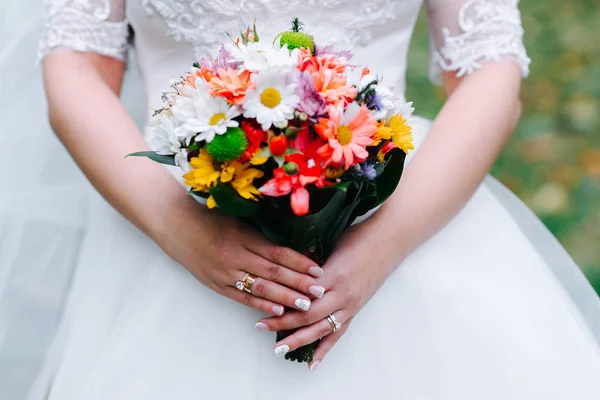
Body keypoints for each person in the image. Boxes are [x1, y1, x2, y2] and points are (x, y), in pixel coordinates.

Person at [1, 0, 600, 398]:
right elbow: (78, 65)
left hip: (404, 234)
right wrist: (175, 226)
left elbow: (489, 68)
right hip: (172, 250)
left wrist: (377, 252)